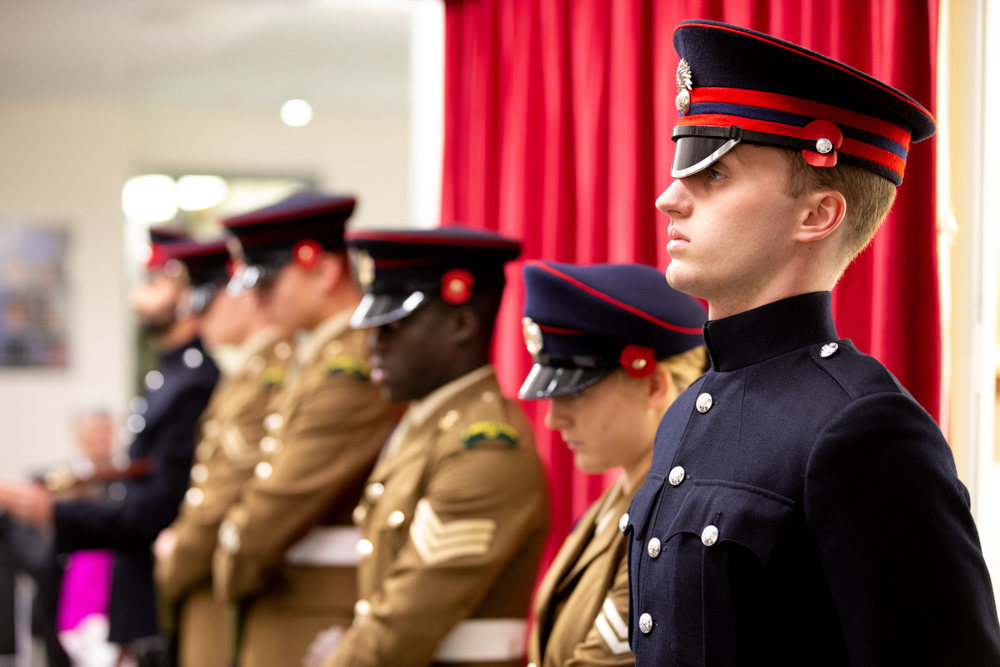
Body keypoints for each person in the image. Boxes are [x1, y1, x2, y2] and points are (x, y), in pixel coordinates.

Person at [622, 19, 1000, 665]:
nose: (667, 199)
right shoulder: (692, 405)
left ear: (816, 214)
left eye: (714, 176)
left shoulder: (860, 429)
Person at [313, 228, 550, 667]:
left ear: (461, 325)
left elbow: (407, 619)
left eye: (392, 327)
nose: (372, 345)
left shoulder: (485, 447)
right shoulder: (427, 425)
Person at [0, 226, 220, 665]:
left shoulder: (193, 381)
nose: (136, 298)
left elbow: (158, 504)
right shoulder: (169, 377)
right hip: (139, 591)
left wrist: (54, 511)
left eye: (154, 282)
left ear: (187, 292)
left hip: (163, 591)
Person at [213, 192, 404, 667]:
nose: (257, 299)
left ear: (324, 270)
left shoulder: (351, 366)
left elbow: (281, 499)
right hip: (288, 599)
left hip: (316, 612)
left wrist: (230, 557)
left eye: (270, 282)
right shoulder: (314, 356)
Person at [516, 261, 706, 667]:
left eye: (575, 394)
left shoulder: (671, 522)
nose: (553, 419)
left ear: (654, 386)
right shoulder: (622, 497)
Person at [152, 238, 292, 667]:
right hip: (210, 570)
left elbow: (226, 492)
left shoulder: (270, 374)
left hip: (221, 570)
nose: (194, 315)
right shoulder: (244, 372)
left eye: (206, 303)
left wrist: (176, 561)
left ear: (243, 294)